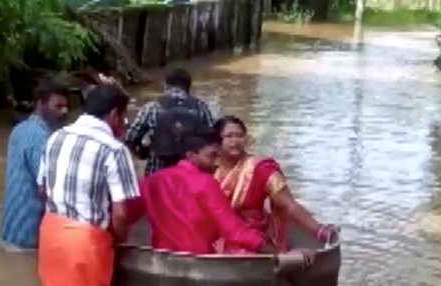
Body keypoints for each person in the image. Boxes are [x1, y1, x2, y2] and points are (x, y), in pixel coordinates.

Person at [126, 127, 314, 265]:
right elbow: (235, 231)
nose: (217, 163)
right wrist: (279, 254)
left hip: (161, 261)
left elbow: (125, 214)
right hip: (200, 263)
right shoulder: (206, 183)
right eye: (211, 156)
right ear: (190, 155)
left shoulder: (151, 181)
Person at [37, 84, 140, 286]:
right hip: (85, 243)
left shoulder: (55, 137)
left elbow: (42, 189)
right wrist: (118, 242)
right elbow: (121, 213)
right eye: (124, 117)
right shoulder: (114, 149)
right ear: (115, 115)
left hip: (50, 237)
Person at [213, 115, 339, 253]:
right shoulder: (209, 169)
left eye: (240, 136)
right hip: (216, 235)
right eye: (229, 136)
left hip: (252, 237)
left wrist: (319, 230)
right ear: (217, 141)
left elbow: (289, 205)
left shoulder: (261, 169)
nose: (235, 141)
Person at [0, 79, 69, 251]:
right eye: (58, 106)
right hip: (29, 235)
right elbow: (48, 187)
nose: (64, 112)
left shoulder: (19, 130)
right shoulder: (43, 139)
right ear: (41, 104)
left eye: (66, 106)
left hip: (9, 229)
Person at [125, 68, 215, 176]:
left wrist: (143, 152)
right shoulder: (201, 107)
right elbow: (213, 139)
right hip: (191, 173)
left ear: (166, 85)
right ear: (188, 87)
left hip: (158, 172)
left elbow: (130, 137)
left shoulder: (152, 106)